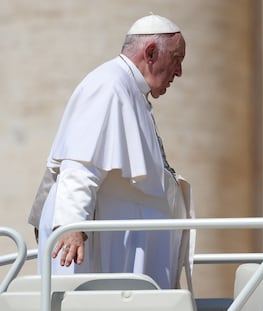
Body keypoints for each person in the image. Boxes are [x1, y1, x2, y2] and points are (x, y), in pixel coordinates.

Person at [28, 14, 194, 289]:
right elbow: (81, 163)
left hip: (122, 245)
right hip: (97, 247)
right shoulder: (109, 85)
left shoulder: (128, 89)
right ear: (150, 53)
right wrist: (70, 227)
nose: (179, 72)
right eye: (177, 59)